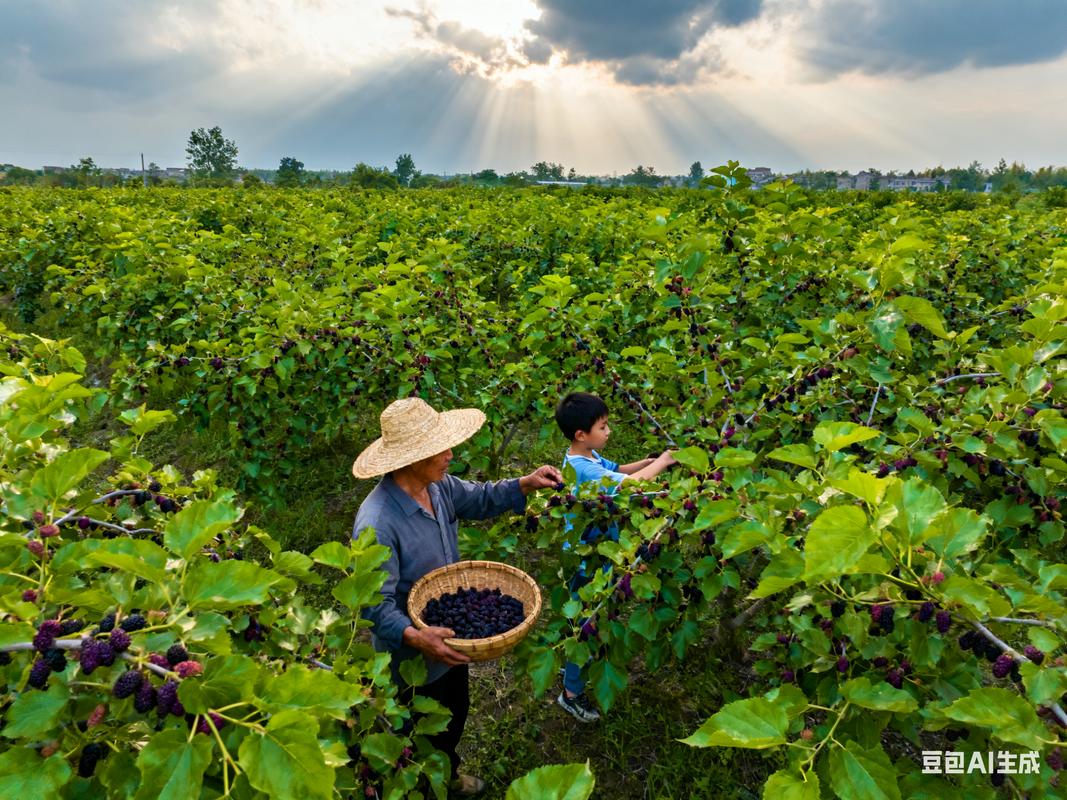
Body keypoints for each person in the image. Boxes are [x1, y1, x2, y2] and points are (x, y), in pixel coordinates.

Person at [352, 397, 562, 796]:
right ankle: (424, 785)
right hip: (411, 660)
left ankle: (448, 775)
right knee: (416, 733)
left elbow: (480, 497)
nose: (451, 454)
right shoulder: (377, 523)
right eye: (440, 448)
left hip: (449, 640)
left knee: (453, 715)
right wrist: (416, 637)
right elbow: (373, 606)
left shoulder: (438, 485)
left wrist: (524, 484)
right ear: (411, 458)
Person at [553, 391, 676, 722]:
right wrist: (663, 464)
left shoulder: (587, 458)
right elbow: (625, 486)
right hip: (586, 559)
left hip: (598, 551)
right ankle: (571, 693)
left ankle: (571, 663)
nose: (609, 432)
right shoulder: (582, 468)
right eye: (604, 426)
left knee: (588, 615)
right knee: (587, 622)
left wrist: (649, 462)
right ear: (582, 434)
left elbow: (620, 471)